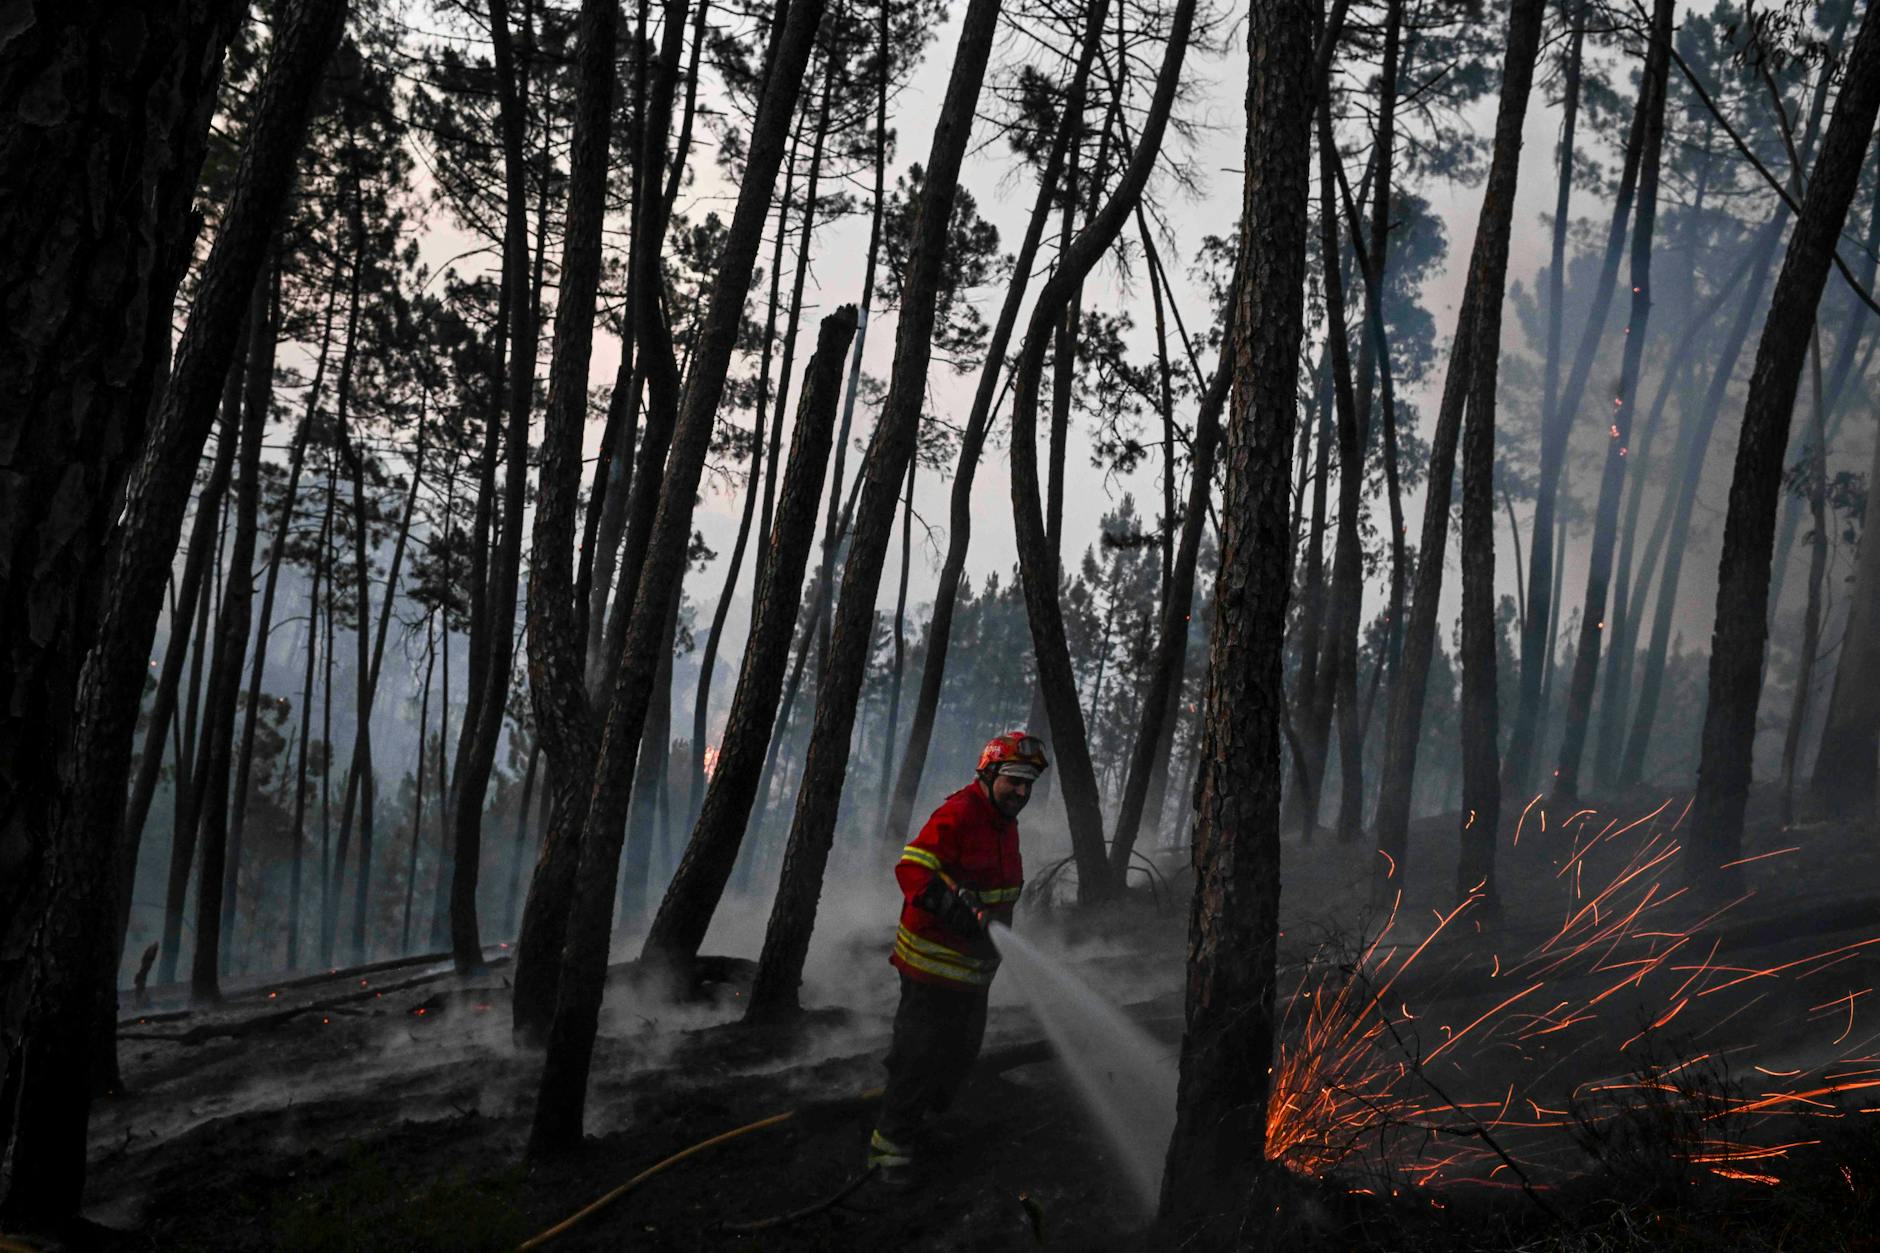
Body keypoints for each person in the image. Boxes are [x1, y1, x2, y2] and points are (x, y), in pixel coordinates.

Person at [865, 731, 1047, 1183]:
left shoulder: (1003, 822)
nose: (1021, 792)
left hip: (973, 974)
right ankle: (889, 1153)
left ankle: (921, 1128)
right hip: (931, 970)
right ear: (988, 775)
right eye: (1013, 780)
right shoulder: (960, 813)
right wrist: (953, 910)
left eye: (1028, 784)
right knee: (918, 1058)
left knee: (959, 1058)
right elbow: (912, 868)